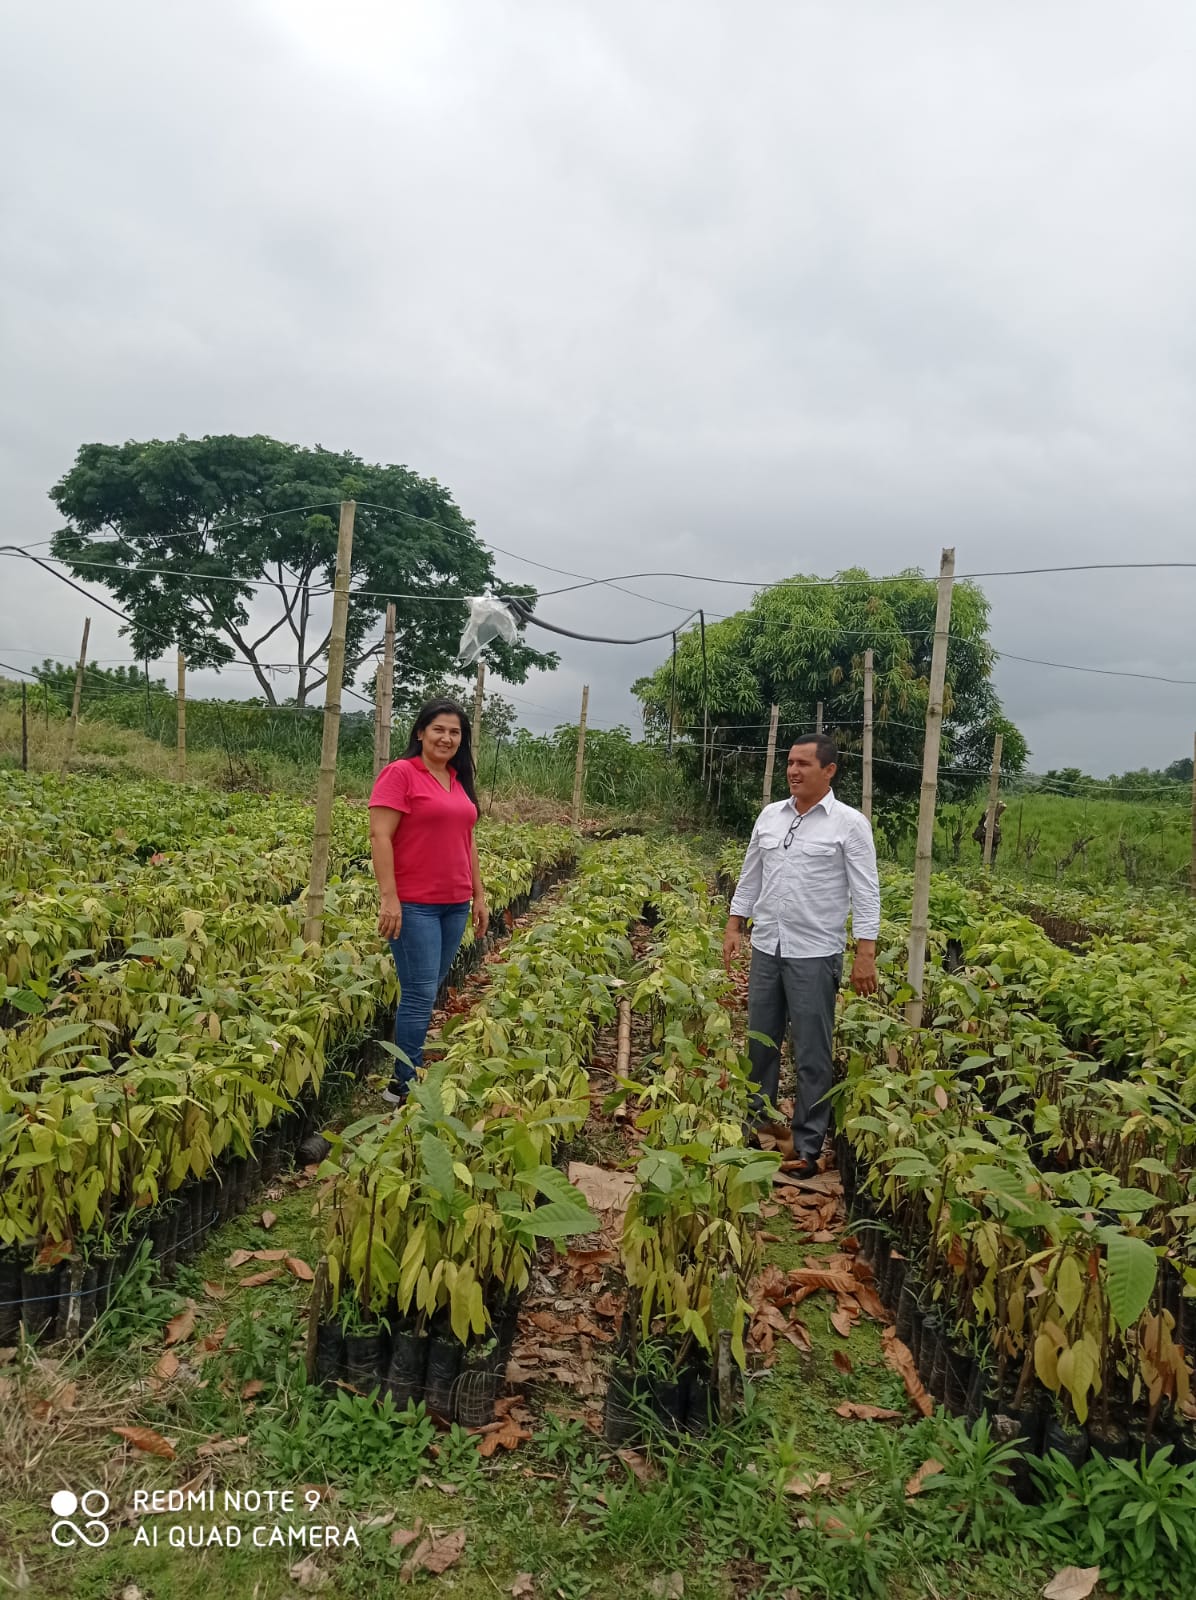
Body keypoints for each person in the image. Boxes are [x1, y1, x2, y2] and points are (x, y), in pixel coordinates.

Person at [723, 734, 881, 1177]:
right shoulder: (771, 816)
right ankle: (761, 1131)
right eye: (790, 763)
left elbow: (866, 892)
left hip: (815, 952)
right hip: (767, 947)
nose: (793, 771)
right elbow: (751, 875)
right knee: (760, 1044)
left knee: (812, 1053)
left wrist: (865, 952)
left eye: (803, 764)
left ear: (829, 771)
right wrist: (734, 926)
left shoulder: (849, 824)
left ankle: (809, 1147)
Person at [368, 698, 489, 1105]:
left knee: (427, 988)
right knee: (420, 993)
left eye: (455, 732)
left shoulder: (456, 779)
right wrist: (390, 898)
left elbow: (467, 841)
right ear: (420, 732)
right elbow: (380, 836)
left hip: (454, 904)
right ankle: (404, 1085)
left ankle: (406, 1076)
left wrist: (479, 895)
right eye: (439, 729)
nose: (446, 738)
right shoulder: (401, 773)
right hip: (415, 904)